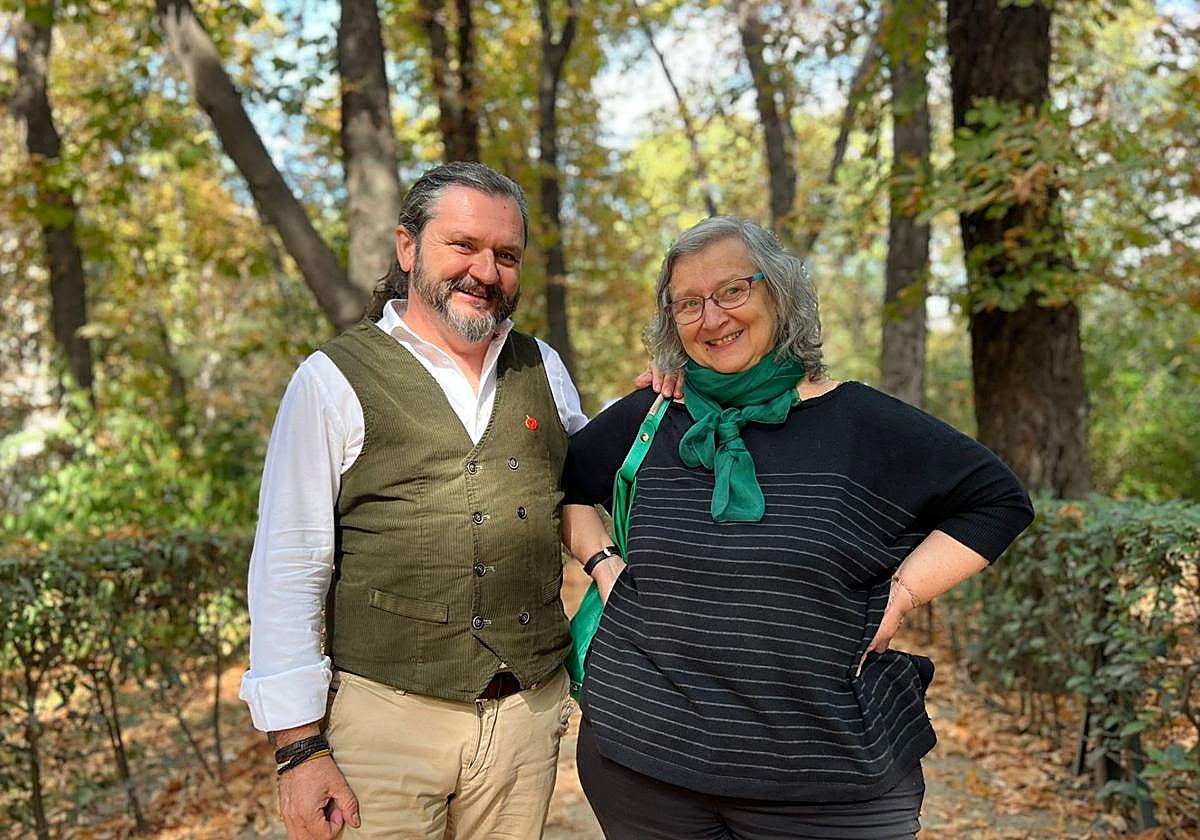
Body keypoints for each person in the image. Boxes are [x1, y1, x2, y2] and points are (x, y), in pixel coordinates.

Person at [561, 216, 1035, 839]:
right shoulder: (652, 415)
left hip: (827, 775)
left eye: (733, 291)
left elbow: (998, 500)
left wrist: (903, 595)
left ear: (779, 295)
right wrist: (602, 565)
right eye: (688, 303)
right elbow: (560, 486)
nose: (712, 317)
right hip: (644, 762)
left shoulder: (865, 425)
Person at [239, 161, 587, 839]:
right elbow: (288, 569)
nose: (485, 271)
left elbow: (600, 486)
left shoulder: (542, 367)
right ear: (408, 247)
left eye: (506, 255)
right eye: (463, 246)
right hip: (383, 726)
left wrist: (663, 389)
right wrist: (299, 750)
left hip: (527, 721)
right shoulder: (332, 379)